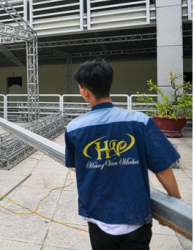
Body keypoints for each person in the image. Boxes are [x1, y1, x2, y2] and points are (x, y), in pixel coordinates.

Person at [65, 58, 181, 250]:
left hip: (98, 217)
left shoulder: (74, 129)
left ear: (84, 91)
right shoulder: (140, 122)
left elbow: (77, 166)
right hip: (136, 218)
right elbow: (163, 168)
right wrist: (176, 204)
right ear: (109, 85)